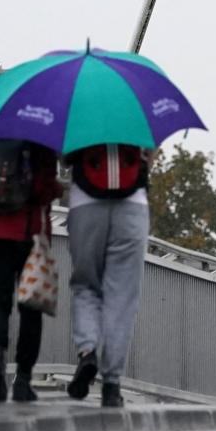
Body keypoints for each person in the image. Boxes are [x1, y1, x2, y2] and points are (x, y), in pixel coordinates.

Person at [0, 138, 62, 403]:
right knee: (31, 309)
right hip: (27, 236)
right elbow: (42, 191)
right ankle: (22, 379)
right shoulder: (40, 144)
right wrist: (56, 188)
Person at [64, 143, 151, 407]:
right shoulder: (135, 106)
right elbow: (150, 153)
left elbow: (65, 155)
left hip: (84, 204)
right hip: (132, 205)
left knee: (86, 285)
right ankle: (111, 384)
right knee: (121, 298)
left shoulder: (74, 106)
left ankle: (87, 351)